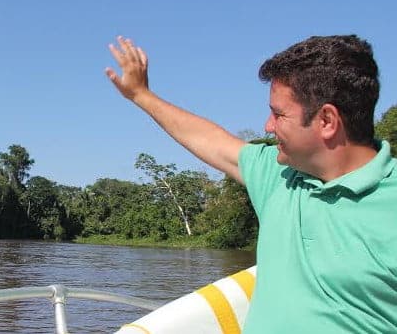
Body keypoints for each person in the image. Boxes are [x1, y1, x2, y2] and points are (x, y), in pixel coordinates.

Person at [105, 35, 396, 333]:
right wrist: (140, 95)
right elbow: (212, 141)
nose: (268, 126)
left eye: (279, 114)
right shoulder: (281, 176)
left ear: (326, 121)